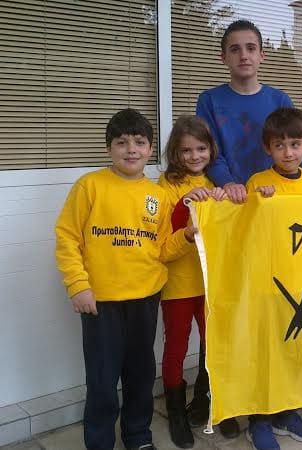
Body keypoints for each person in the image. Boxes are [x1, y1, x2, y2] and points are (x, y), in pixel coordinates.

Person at [55, 109, 196, 450]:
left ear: (150, 149)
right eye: (122, 142)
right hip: (100, 301)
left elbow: (162, 249)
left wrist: (186, 236)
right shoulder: (90, 186)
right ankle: (100, 442)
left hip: (145, 298)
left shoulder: (158, 196)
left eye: (139, 142)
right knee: (102, 380)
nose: (131, 149)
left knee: (140, 375)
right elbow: (67, 238)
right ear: (109, 149)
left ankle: (137, 436)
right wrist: (78, 285)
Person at [245, 107, 302, 450]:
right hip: (268, 286)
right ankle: (259, 419)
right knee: (267, 353)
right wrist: (257, 204)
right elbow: (243, 230)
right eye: (279, 145)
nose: (288, 152)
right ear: (267, 148)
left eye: (295, 144)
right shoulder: (258, 183)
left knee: (296, 350)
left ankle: (287, 412)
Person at [157, 116, 233, 448]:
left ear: (211, 149)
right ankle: (176, 412)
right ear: (175, 152)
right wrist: (185, 203)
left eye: (201, 148)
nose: (194, 156)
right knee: (176, 347)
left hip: (210, 283)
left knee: (213, 346)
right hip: (177, 284)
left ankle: (212, 403)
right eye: (186, 150)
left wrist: (225, 198)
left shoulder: (217, 180)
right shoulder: (165, 185)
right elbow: (164, 238)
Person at [196, 19, 302, 204]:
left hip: (274, 199)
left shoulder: (280, 100)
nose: (243, 56)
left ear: (262, 55)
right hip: (229, 198)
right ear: (223, 57)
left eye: (251, 48)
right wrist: (228, 183)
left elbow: (296, 150)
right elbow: (210, 153)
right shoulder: (209, 100)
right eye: (235, 49)